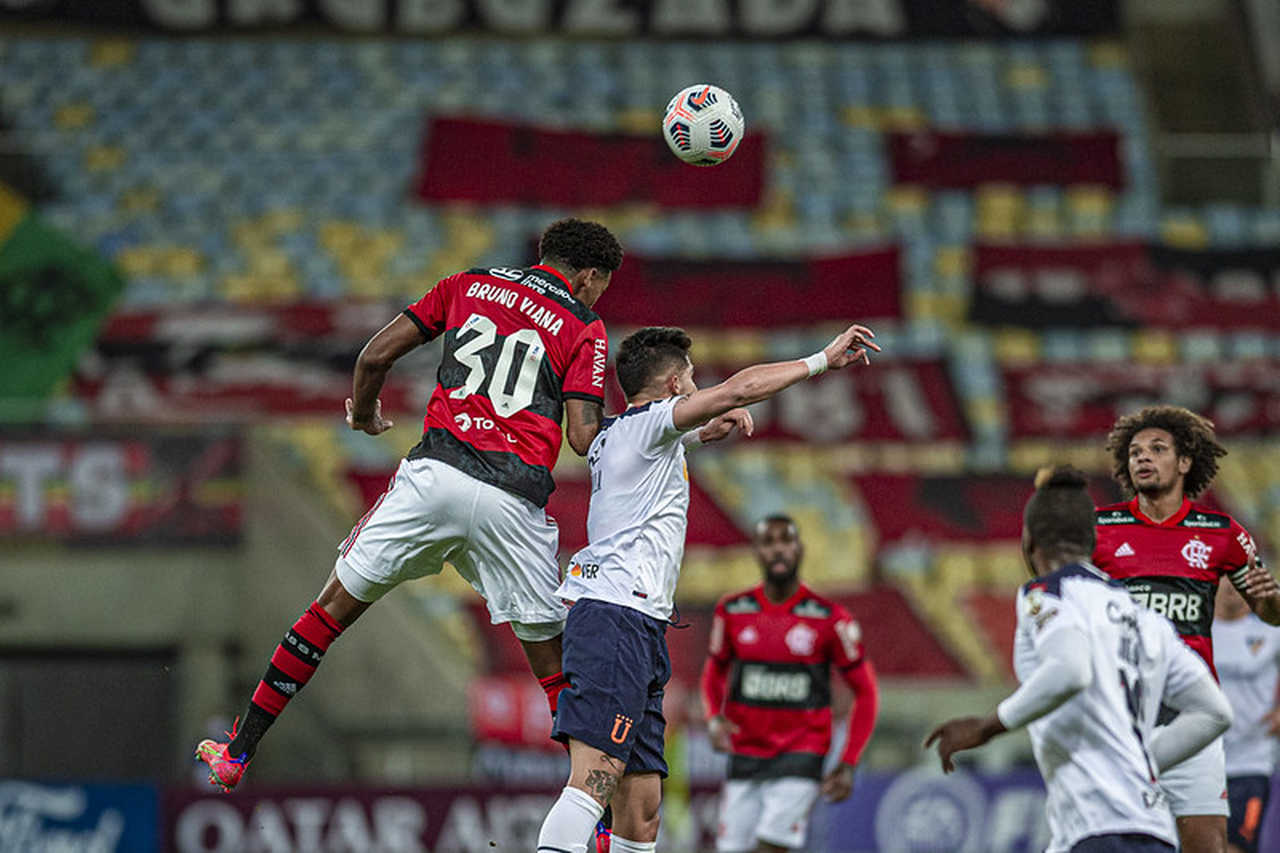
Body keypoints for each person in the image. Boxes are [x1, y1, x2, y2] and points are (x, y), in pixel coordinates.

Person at [195, 218, 622, 791]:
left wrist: (364, 413)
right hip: (511, 503)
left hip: (435, 477)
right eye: (602, 286)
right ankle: (596, 817)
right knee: (554, 675)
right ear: (590, 277)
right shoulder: (585, 325)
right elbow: (581, 434)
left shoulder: (467, 284)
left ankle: (238, 753)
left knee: (324, 617)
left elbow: (374, 356)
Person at [535, 323, 880, 853]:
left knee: (642, 810)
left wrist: (702, 432)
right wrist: (820, 361)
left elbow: (661, 440)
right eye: (692, 378)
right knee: (593, 780)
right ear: (674, 385)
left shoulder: (622, 433)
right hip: (613, 618)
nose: (699, 387)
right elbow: (738, 389)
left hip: (638, 622)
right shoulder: (649, 427)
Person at [927, 466, 1235, 853]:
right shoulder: (1144, 618)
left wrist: (987, 726)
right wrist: (1139, 763)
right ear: (1092, 541)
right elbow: (1215, 712)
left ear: (1029, 540)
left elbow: (1071, 670)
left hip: (1100, 829)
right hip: (1150, 829)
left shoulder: (1048, 594)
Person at [1092, 405, 1280, 853]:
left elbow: (1270, 614)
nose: (1143, 457)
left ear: (1184, 462)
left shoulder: (1224, 534)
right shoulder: (1099, 530)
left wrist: (1272, 598)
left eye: (1157, 449)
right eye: (1135, 451)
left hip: (1193, 719)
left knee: (1210, 846)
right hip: (1123, 719)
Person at [700, 515, 879, 853]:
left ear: (800, 549)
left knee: (772, 846)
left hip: (801, 754)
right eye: (769, 542)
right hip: (745, 755)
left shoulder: (829, 618)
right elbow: (714, 671)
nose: (778, 549)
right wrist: (713, 718)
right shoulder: (733, 611)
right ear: (757, 552)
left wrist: (849, 760)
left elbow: (866, 692)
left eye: (786, 540)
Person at [1212, 577, 1280, 853]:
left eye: (1236, 579)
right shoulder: (1198, 629)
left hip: (1252, 761)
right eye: (1223, 579)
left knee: (1236, 846)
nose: (1230, 588)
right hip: (1203, 761)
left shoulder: (1271, 630)